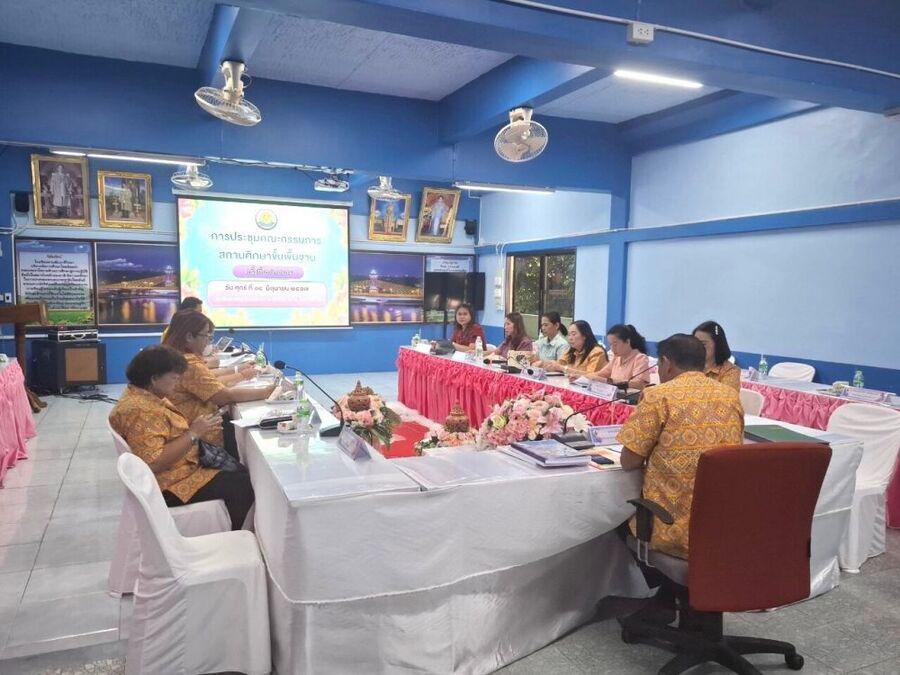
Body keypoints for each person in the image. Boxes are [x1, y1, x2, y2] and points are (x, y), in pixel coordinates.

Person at [616, 334, 744, 560]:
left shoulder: (658, 396)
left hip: (670, 526)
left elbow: (629, 461)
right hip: (720, 523)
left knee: (611, 519)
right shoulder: (731, 396)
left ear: (666, 363)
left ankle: (648, 578)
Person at [109, 345, 254, 530]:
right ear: (154, 378)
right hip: (170, 484)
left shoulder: (143, 395)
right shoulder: (141, 411)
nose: (177, 384)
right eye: (174, 378)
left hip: (179, 470)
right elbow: (154, 462)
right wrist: (193, 434)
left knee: (238, 470)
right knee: (243, 485)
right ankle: (236, 535)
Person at [163, 310, 276, 449]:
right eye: (206, 335)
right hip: (200, 442)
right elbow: (224, 396)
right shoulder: (189, 364)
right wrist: (267, 392)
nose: (208, 341)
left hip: (192, 430)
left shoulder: (176, 356)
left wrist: (239, 373)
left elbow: (211, 383)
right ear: (189, 337)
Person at [588, 324, 650, 389]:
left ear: (627, 342)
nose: (612, 348)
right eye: (610, 344)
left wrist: (609, 381)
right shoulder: (617, 358)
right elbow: (601, 374)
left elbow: (639, 383)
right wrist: (584, 377)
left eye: (615, 344)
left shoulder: (640, 358)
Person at [540, 319, 608, 377]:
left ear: (584, 335)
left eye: (573, 334)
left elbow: (590, 376)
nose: (570, 338)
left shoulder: (597, 352)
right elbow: (559, 364)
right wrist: (547, 364)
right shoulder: (572, 350)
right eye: (569, 335)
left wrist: (563, 368)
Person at [693, 320, 741, 391]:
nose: (697, 347)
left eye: (703, 344)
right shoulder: (689, 366)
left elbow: (727, 396)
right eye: (695, 343)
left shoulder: (730, 371)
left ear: (718, 344)